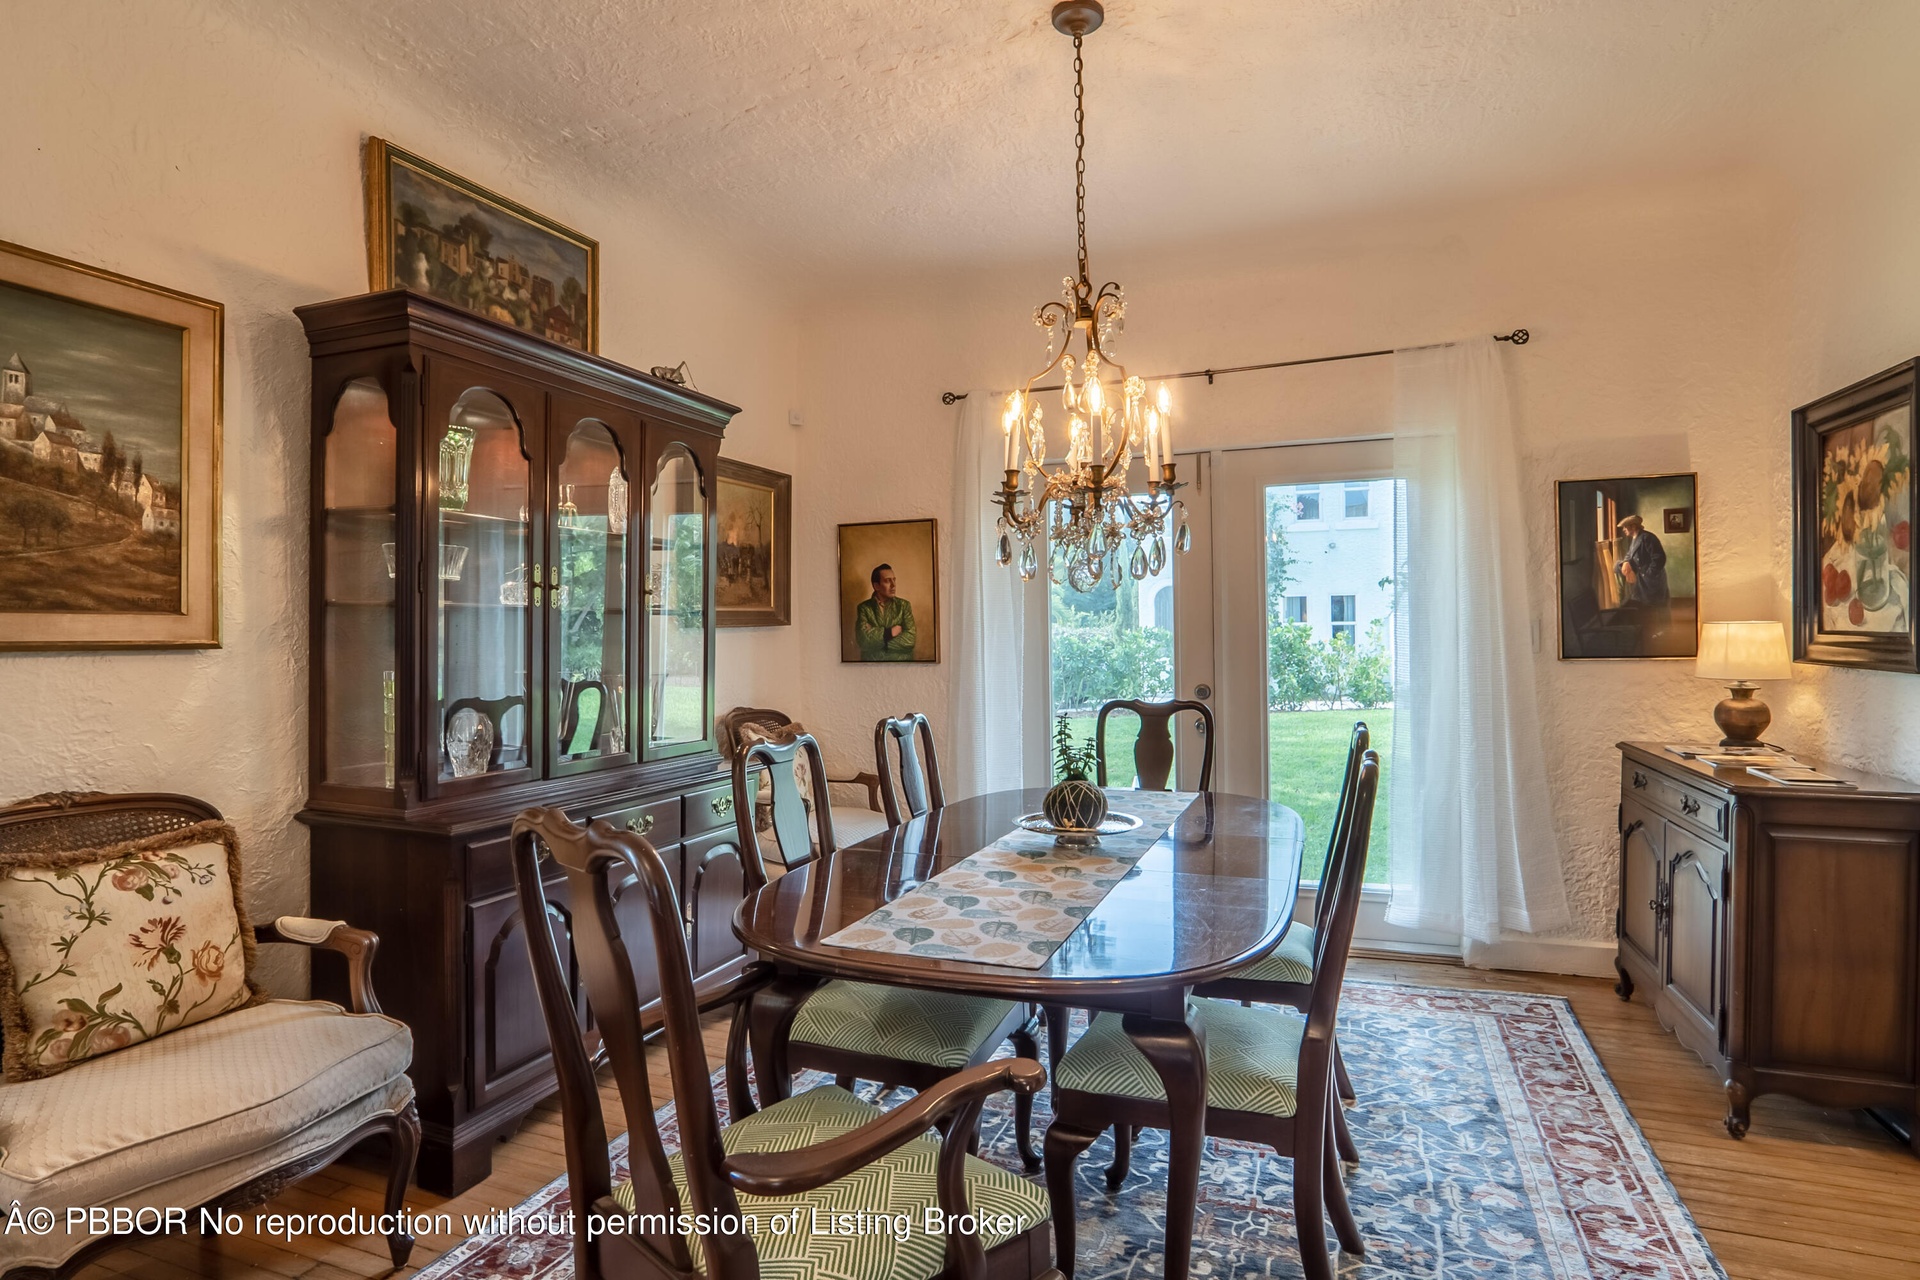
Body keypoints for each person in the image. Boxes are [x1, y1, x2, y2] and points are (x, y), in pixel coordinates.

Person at [1614, 513, 1670, 632]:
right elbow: (1630, 555)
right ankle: (1650, 631)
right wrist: (1625, 562)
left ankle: (1664, 632)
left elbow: (1659, 558)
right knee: (1645, 607)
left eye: (1625, 527)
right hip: (1643, 580)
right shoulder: (1635, 538)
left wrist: (1648, 574)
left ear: (1633, 526)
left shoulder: (1647, 538)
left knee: (1657, 606)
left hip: (1652, 580)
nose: (1623, 530)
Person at [855, 563, 917, 661]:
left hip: (901, 665)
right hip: (872, 667)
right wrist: (889, 633)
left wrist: (879, 641)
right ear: (876, 586)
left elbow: (910, 640)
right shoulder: (864, 608)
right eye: (887, 581)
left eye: (894, 580)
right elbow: (863, 641)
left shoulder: (903, 606)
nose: (893, 585)